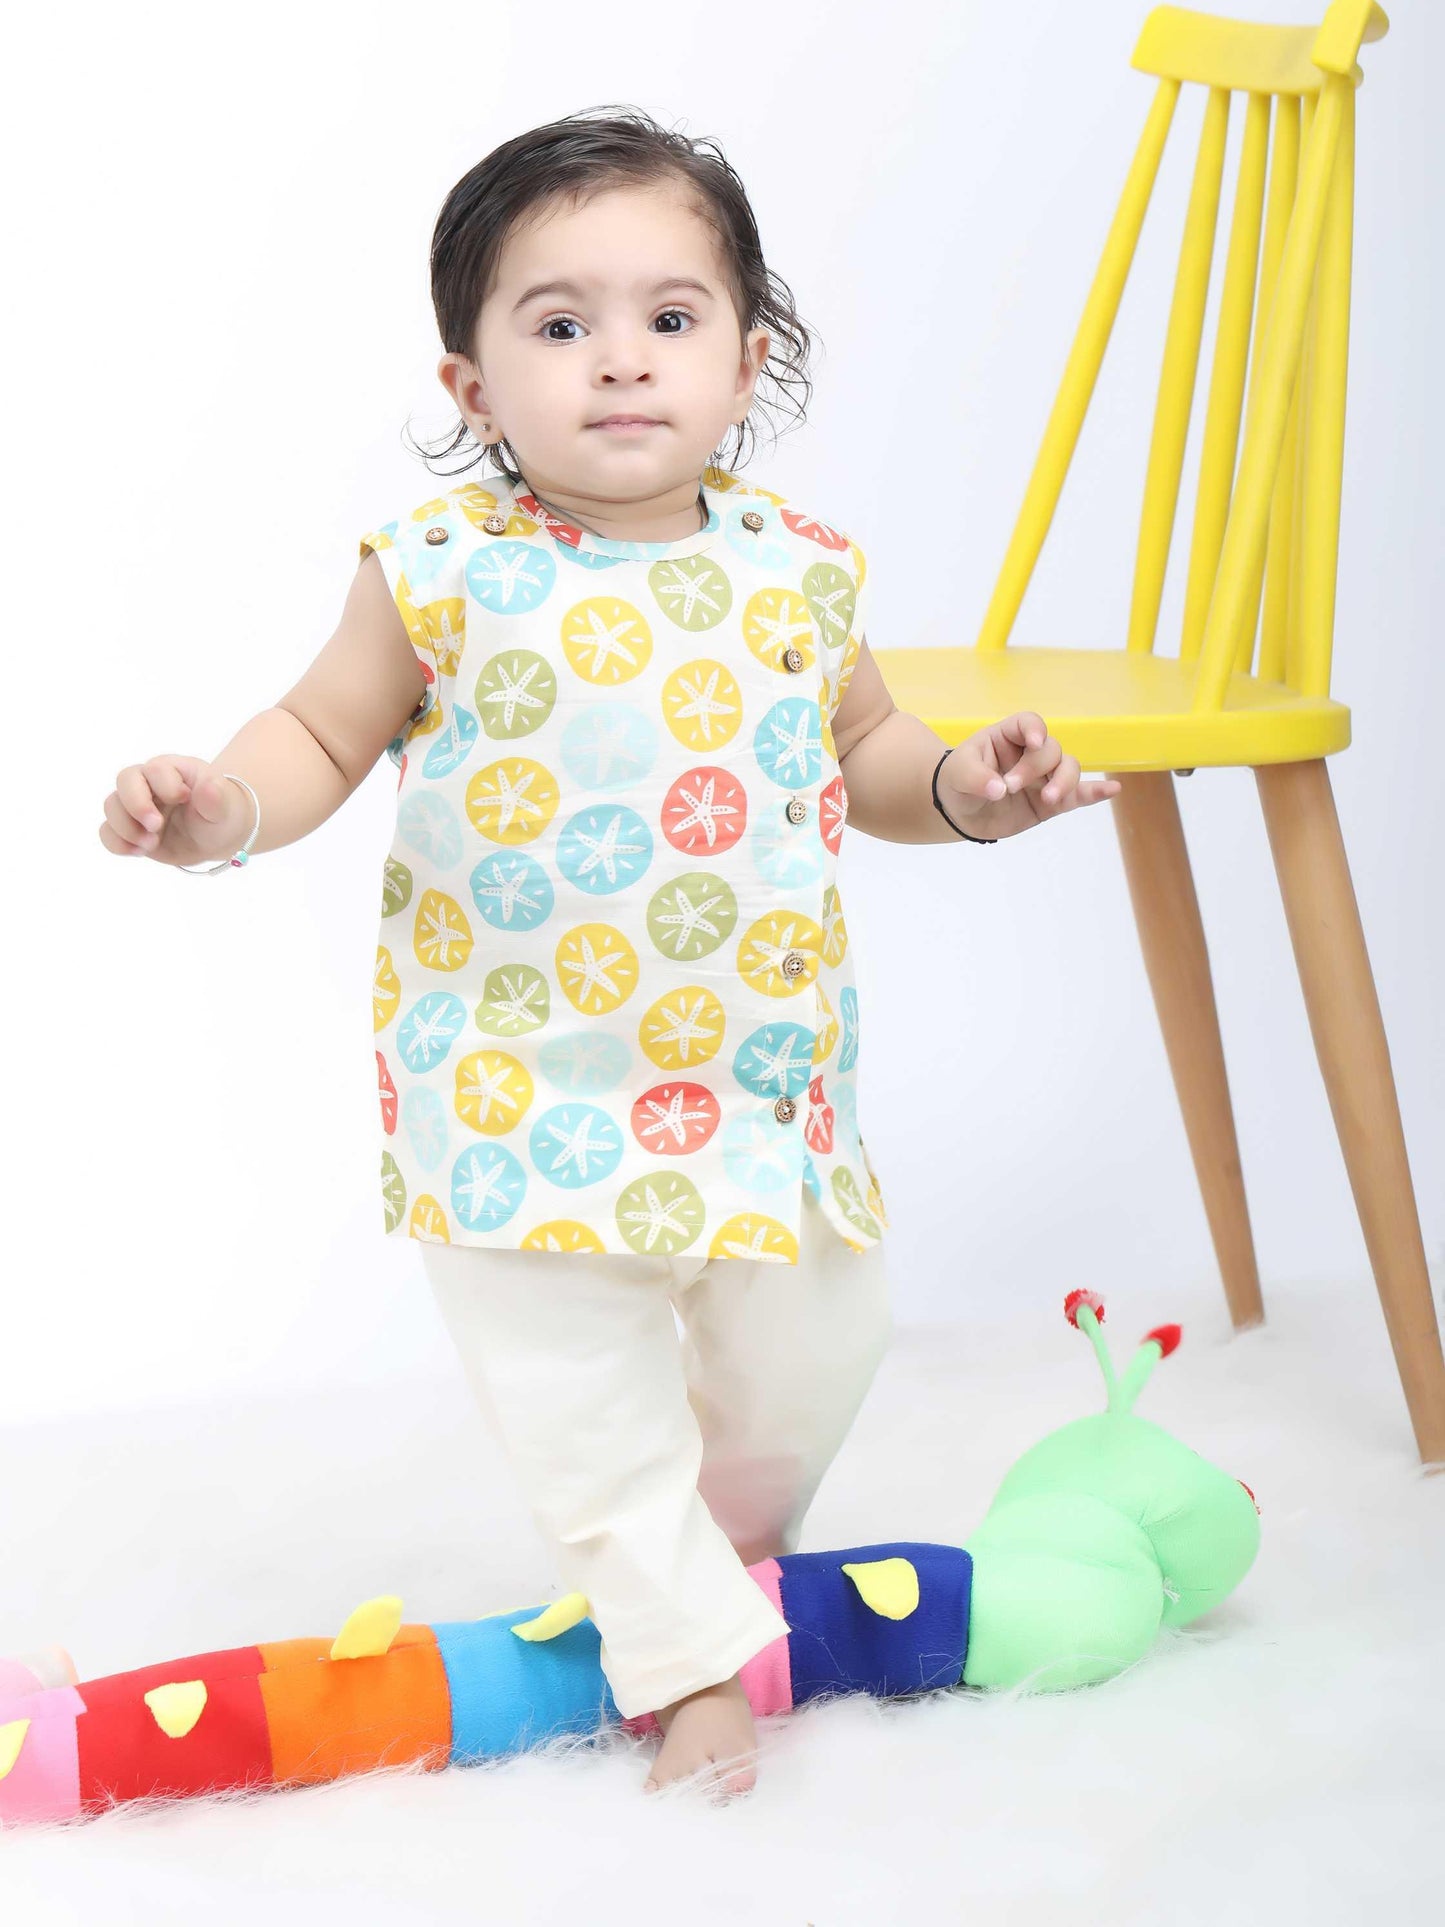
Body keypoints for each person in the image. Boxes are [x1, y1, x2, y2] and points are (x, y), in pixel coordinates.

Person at [97, 108, 1120, 1801]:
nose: (622, 358)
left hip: (760, 1092)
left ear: (747, 359)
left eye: (671, 316)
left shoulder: (800, 574)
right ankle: (684, 1659)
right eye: (561, 323)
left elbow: (869, 757)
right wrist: (223, 809)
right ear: (475, 389)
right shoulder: (441, 573)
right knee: (582, 1402)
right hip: (522, 1095)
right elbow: (320, 734)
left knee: (819, 1352)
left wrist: (966, 791)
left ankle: (707, 1566)